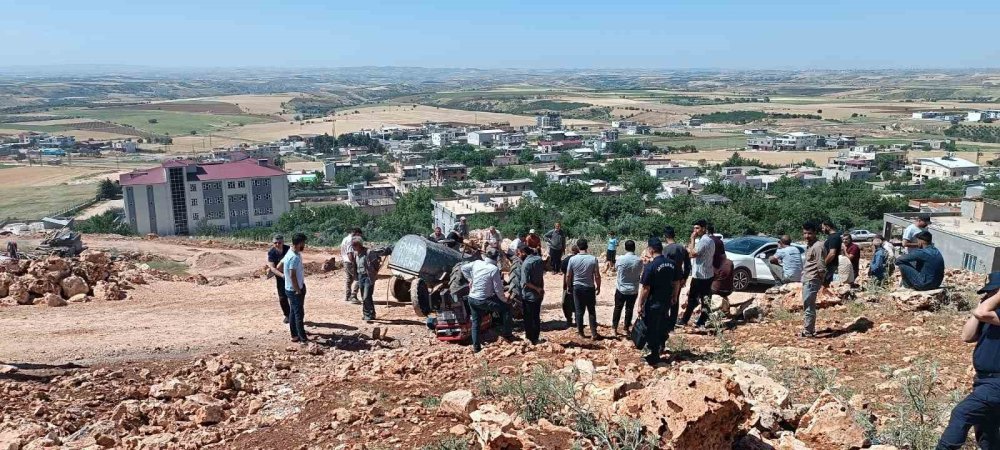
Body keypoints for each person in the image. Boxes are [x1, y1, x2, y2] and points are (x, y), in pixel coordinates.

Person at [935, 273, 1000, 450]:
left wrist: (985, 307)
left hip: (996, 383)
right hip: (984, 381)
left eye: (993, 292)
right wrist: (978, 309)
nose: (988, 296)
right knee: (987, 432)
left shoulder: (990, 314)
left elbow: (981, 312)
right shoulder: (990, 314)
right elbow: (967, 336)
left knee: (962, 413)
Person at [462, 248, 514, 353]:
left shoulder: (477, 263)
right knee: (507, 309)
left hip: (472, 298)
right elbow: (498, 290)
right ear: (496, 258)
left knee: (476, 322)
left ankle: (476, 348)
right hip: (483, 300)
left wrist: (470, 280)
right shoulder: (493, 269)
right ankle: (508, 335)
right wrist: (505, 300)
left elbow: (463, 268)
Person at [636, 237, 677, 366]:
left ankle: (654, 355)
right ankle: (661, 346)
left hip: (653, 302)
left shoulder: (650, 266)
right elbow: (676, 282)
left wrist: (640, 304)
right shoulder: (672, 264)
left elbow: (645, 288)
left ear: (651, 249)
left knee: (652, 327)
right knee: (663, 322)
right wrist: (674, 296)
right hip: (666, 301)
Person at [679, 219, 715, 331]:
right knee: (705, 299)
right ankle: (701, 321)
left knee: (692, 299)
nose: (695, 230)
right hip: (708, 274)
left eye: (697, 228)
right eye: (694, 228)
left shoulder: (704, 241)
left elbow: (692, 254)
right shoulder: (711, 240)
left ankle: (685, 320)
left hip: (700, 275)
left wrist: (692, 239)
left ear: (704, 228)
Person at [566, 239, 601, 339]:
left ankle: (581, 333)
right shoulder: (593, 259)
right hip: (589, 287)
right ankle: (594, 333)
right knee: (591, 310)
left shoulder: (572, 259)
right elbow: (597, 275)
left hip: (577, 287)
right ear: (587, 246)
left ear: (577, 247)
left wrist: (569, 286)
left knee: (579, 311)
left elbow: (568, 275)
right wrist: (598, 287)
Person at [663, 226, 691, 333]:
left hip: (667, 279)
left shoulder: (666, 249)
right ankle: (671, 326)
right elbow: (688, 266)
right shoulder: (682, 248)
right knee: (675, 301)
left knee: (665, 301)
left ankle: (665, 324)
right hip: (679, 279)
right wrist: (684, 277)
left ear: (665, 236)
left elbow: (663, 264)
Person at [281, 233, 308, 343]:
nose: (304, 245)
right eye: (303, 243)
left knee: (293, 312)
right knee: (299, 314)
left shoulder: (290, 252)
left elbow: (280, 265)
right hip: (294, 290)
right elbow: (292, 275)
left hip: (289, 288)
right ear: (299, 243)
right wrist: (298, 290)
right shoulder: (294, 257)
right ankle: (302, 338)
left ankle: (294, 335)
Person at [800, 221, 826, 338]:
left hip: (812, 279)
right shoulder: (810, 245)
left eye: (809, 233)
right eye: (805, 233)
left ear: (815, 233)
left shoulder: (818, 246)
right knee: (807, 305)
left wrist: (821, 279)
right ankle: (809, 328)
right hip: (807, 278)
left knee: (809, 305)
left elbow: (820, 266)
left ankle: (808, 331)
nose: (807, 236)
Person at [612, 240, 642, 335]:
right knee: (629, 309)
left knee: (618, 308)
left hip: (621, 288)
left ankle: (614, 328)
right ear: (634, 248)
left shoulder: (621, 259)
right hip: (633, 289)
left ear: (625, 248)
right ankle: (626, 328)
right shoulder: (639, 260)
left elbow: (616, 268)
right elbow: (640, 272)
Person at [521, 245, 545, 345]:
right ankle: (536, 337)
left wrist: (536, 288)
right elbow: (541, 276)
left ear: (523, 253)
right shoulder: (539, 260)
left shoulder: (526, 264)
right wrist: (541, 289)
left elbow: (525, 282)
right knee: (536, 316)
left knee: (528, 317)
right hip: (538, 295)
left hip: (529, 295)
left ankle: (529, 337)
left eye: (519, 253)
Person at [353, 237, 379, 322]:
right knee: (364, 297)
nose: (353, 247)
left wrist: (373, 274)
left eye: (355, 245)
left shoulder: (369, 252)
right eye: (352, 245)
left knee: (366, 296)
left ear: (360, 245)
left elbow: (376, 264)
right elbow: (356, 265)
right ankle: (368, 314)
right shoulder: (356, 253)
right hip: (361, 276)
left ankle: (369, 314)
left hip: (368, 277)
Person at [266, 234, 291, 324]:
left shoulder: (288, 249)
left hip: (291, 275)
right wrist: (282, 275)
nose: (277, 244)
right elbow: (272, 268)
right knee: (282, 298)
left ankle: (295, 315)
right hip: (280, 276)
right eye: (275, 243)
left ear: (283, 242)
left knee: (293, 296)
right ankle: (287, 315)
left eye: (279, 242)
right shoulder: (271, 252)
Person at [340, 228, 362, 304]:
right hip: (350, 262)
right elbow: (350, 252)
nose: (359, 238)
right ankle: (353, 296)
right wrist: (354, 262)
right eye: (359, 236)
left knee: (349, 279)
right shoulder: (350, 240)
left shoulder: (345, 239)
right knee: (360, 278)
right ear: (356, 233)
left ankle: (347, 295)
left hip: (345, 261)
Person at [820, 220, 842, 295]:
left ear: (827, 227)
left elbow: (832, 253)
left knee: (826, 283)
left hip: (831, 265)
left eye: (823, 228)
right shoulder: (832, 237)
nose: (822, 230)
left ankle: (827, 298)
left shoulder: (834, 237)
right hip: (830, 265)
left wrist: (824, 263)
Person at [560, 245, 579, 327]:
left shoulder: (566, 260)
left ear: (571, 250)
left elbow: (564, 272)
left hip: (567, 283)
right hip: (577, 283)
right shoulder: (580, 260)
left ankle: (569, 320)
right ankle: (577, 320)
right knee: (578, 302)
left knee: (566, 302)